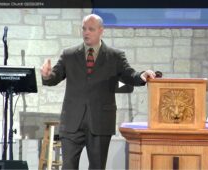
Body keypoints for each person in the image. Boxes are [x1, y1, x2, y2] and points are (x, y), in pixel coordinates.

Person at [40, 14, 155, 169]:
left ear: (101, 30)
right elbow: (54, 77)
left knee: (97, 167)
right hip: (72, 122)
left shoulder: (115, 56)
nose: (86, 33)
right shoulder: (69, 55)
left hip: (100, 121)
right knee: (68, 166)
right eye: (84, 29)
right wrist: (46, 75)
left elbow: (129, 75)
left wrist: (141, 76)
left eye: (91, 29)